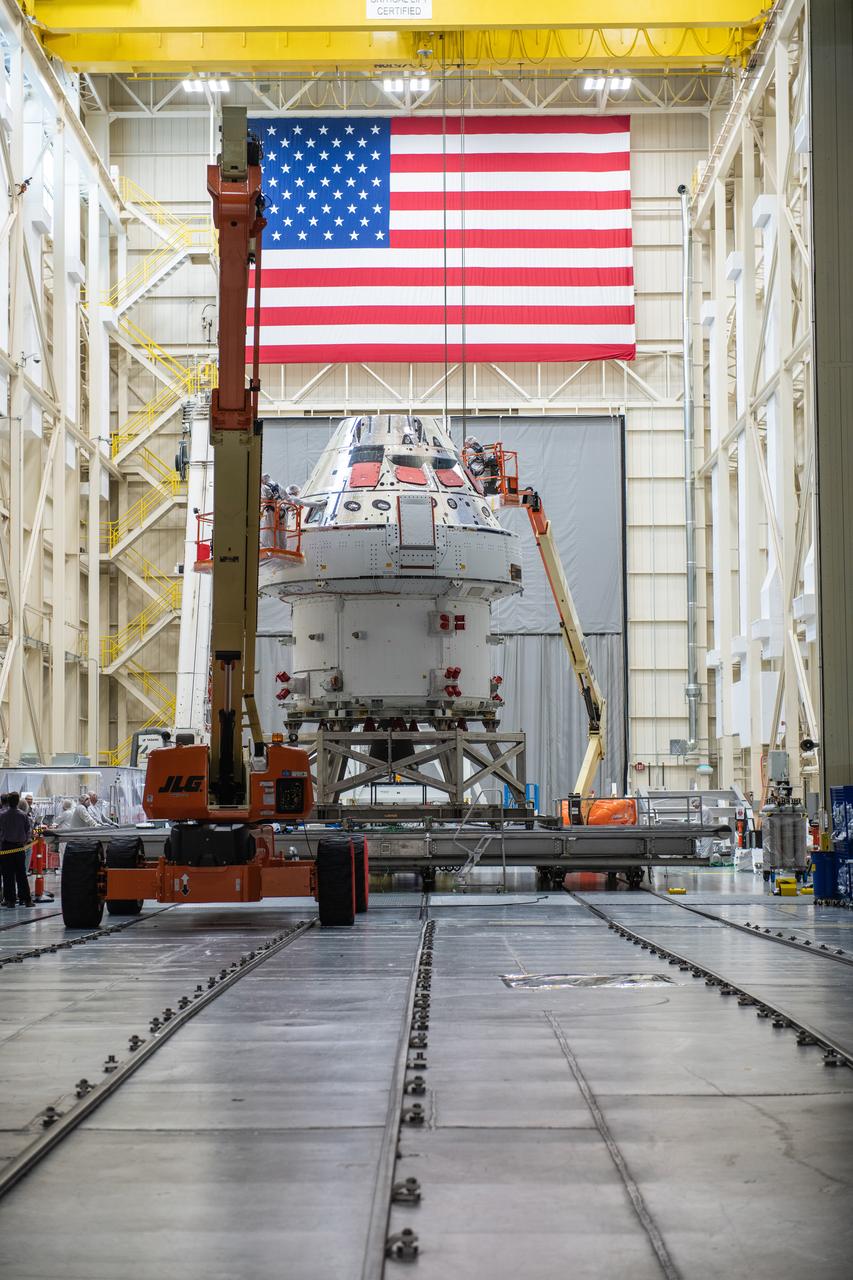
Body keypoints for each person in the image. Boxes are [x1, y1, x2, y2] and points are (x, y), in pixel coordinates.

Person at [0, 792, 34, 908]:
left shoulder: (2, 816)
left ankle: (10, 900)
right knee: (21, 874)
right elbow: (28, 831)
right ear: (18, 801)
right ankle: (26, 899)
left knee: (8, 875)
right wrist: (24, 842)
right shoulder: (23, 815)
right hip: (19, 847)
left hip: (6, 847)